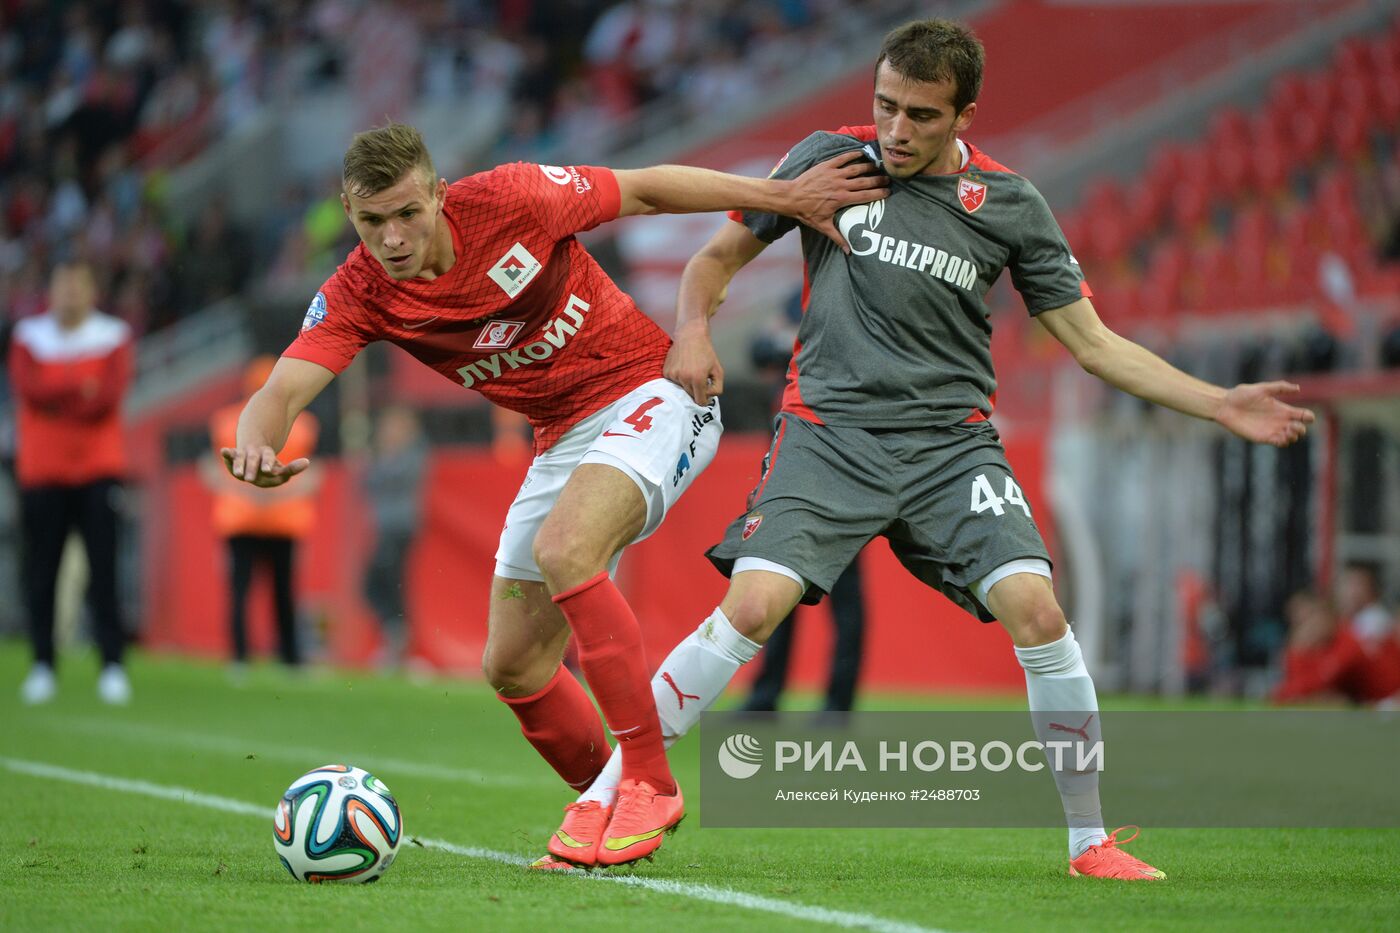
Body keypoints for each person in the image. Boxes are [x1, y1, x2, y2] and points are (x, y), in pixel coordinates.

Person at [571, 19, 1317, 881]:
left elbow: (1096, 344)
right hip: (829, 436)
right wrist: (693, 331)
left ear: (965, 114)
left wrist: (1220, 401)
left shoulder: (1011, 206)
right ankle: (607, 794)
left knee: (1038, 611)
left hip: (949, 450)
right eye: (885, 106)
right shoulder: (830, 160)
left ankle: (1090, 843)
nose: (895, 130)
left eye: (921, 115)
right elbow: (715, 259)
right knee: (751, 608)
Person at [218, 122, 886, 869]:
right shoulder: (359, 291)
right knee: (513, 664)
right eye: (373, 221)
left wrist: (782, 196)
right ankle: (607, 796)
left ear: (439, 193)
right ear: (349, 211)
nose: (394, 236)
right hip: (561, 436)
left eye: (409, 212)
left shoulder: (512, 198)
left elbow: (646, 187)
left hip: (654, 387)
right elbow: (282, 386)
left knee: (566, 549)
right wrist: (256, 442)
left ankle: (648, 783)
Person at [10, 260, 134, 705]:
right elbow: (31, 391)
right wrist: (79, 386)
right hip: (42, 473)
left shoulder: (114, 335)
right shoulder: (29, 336)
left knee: (105, 571)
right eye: (63, 285)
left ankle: (113, 666)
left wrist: (61, 392)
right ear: (51, 290)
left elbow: (106, 398)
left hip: (99, 470)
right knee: (41, 572)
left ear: (91, 290)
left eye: (78, 285)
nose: (70, 293)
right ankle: (43, 664)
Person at [742, 291, 866, 714]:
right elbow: (759, 351)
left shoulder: (862, 287)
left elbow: (854, 353)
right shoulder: (798, 296)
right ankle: (765, 697)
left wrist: (792, 341)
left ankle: (839, 704)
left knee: (844, 595)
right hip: (790, 463)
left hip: (845, 463)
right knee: (776, 582)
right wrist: (795, 340)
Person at [206, 355, 320, 671]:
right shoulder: (304, 424)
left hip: (243, 517)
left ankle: (240, 657)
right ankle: (289, 658)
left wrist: (245, 493)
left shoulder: (227, 420)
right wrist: (280, 495)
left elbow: (212, 470)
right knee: (281, 593)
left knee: (242, 591)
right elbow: (313, 474)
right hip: (282, 519)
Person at [362, 404, 428, 666]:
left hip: (400, 528)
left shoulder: (414, 451)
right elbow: (365, 483)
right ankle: (394, 633)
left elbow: (395, 478)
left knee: (392, 582)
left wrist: (383, 458)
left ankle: (399, 638)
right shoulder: (383, 455)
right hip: (383, 527)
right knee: (375, 583)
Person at [1273, 590, 1400, 705]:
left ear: (1328, 617)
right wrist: (1296, 651)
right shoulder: (1324, 647)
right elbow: (1299, 681)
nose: (1308, 628)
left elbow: (1320, 680)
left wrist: (1297, 652)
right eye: (1302, 624)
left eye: (1313, 619)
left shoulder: (1348, 638)